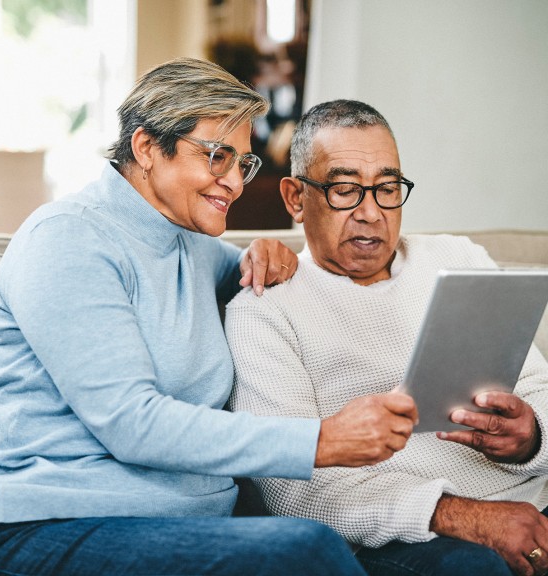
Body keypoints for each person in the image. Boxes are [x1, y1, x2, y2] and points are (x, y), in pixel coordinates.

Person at [0, 59, 420, 576]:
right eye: (216, 157)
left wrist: (266, 253)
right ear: (145, 149)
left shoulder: (193, 245)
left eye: (243, 165)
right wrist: (320, 440)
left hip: (178, 522)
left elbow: (264, 277)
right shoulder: (68, 239)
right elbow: (132, 424)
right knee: (305, 549)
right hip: (38, 522)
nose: (233, 182)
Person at [226, 99, 548, 576]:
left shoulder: (457, 257)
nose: (371, 213)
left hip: (533, 503)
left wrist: (531, 438)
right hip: (416, 536)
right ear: (296, 198)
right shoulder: (265, 308)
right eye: (345, 189)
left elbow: (539, 391)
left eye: (387, 188)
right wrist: (467, 517)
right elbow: (291, 490)